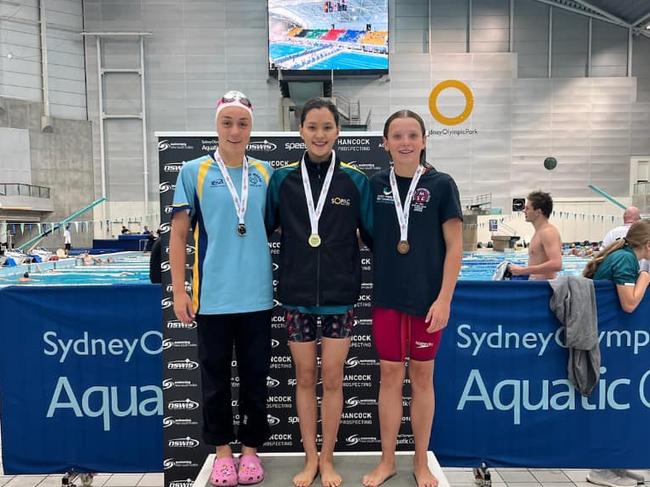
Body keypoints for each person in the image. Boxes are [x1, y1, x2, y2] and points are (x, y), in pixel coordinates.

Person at [265, 97, 373, 487]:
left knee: (333, 379)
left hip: (340, 297)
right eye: (312, 126)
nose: (320, 134)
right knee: (305, 377)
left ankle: (328, 459)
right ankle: (309, 458)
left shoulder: (355, 181)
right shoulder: (282, 181)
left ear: (338, 132)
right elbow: (265, 230)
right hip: (296, 297)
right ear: (301, 131)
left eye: (327, 127)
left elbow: (373, 236)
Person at [170, 90, 274, 487]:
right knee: (214, 381)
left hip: (258, 296)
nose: (235, 130)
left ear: (251, 128)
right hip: (211, 297)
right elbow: (178, 236)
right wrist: (180, 292)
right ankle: (222, 454)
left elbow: (275, 226)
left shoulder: (265, 173)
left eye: (242, 123)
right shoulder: (193, 171)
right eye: (227, 122)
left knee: (255, 378)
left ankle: (250, 452)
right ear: (216, 125)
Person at [363, 110, 463, 487]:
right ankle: (387, 460)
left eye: (412, 135)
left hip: (427, 301)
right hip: (387, 298)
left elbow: (455, 248)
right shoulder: (374, 186)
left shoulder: (441, 185)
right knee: (389, 376)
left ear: (423, 140)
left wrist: (445, 299)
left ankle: (420, 461)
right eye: (397, 136)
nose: (405, 142)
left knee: (422, 377)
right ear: (385, 143)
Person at [583, 220, 650, 487]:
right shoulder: (626, 261)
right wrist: (645, 278)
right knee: (606, 403)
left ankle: (616, 464)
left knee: (618, 402)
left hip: (612, 339)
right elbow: (630, 303)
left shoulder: (625, 257)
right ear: (647, 245)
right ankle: (601, 468)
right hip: (604, 339)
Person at [508, 191, 562, 280]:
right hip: (537, 286)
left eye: (527, 208)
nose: (524, 211)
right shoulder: (539, 232)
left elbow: (556, 264)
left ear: (538, 212)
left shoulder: (548, 232)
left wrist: (523, 270)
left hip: (544, 289)